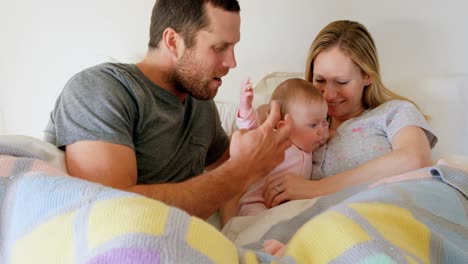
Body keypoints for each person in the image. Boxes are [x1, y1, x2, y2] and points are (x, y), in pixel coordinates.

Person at [44, 0, 292, 219]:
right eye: (219, 48)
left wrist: (268, 137)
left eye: (233, 47)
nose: (232, 62)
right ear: (173, 42)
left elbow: (228, 162)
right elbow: (110, 211)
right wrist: (241, 170)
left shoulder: (201, 104)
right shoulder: (102, 89)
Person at [262, 20, 438, 208]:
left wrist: (315, 188)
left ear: (367, 76)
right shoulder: (297, 120)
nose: (328, 95)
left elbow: (415, 159)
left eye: (342, 82)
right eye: (319, 80)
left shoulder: (394, 112)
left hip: (383, 215)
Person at [221, 78, 329, 224]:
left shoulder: (309, 145)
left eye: (324, 121)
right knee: (256, 226)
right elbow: (252, 132)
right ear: (283, 126)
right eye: (313, 125)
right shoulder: (277, 142)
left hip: (286, 205)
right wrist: (246, 109)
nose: (321, 131)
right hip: (256, 203)